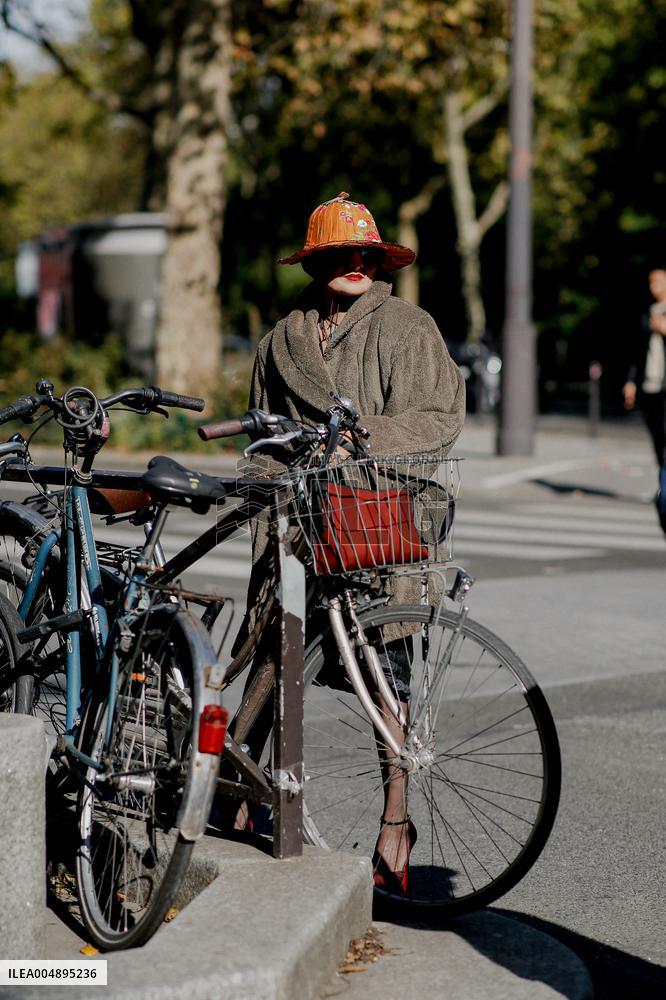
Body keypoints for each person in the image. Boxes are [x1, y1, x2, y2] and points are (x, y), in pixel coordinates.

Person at [241, 192, 465, 890]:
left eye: (366, 252)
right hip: (303, 520)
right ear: (317, 262)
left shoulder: (406, 326)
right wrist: (260, 486)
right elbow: (263, 433)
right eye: (341, 253)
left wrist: (361, 442)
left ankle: (396, 817)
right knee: (271, 657)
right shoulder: (282, 340)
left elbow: (438, 417)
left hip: (380, 519)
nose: (357, 262)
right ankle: (249, 797)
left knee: (385, 673)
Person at [622, 267, 666, 469]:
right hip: (649, 384)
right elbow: (636, 351)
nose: (653, 286)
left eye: (657, 281)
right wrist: (631, 381)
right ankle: (663, 485)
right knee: (657, 437)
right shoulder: (646, 313)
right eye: (651, 282)